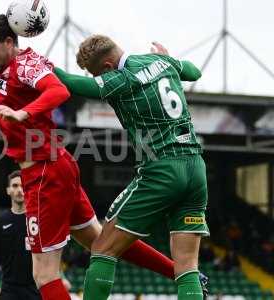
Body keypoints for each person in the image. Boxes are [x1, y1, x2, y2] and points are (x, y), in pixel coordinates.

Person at [0, 14, 192, 299]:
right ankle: (185, 275)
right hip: (56, 166)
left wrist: (23, 112)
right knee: (100, 241)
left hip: (43, 173)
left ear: (9, 42)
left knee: (44, 274)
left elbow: (58, 91)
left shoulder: (27, 65)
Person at [54, 36, 209, 300]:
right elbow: (195, 71)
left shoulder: (121, 78)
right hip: (196, 169)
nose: (96, 79)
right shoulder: (160, 61)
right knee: (186, 266)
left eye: (96, 74)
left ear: (107, 66)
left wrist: (35, 61)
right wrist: (169, 58)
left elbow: (68, 83)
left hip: (162, 169)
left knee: (102, 248)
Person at [0, 170, 40, 300]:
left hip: (36, 290)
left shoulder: (38, 221)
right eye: (15, 186)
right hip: (9, 291)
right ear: (8, 190)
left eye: (23, 186)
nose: (19, 190)